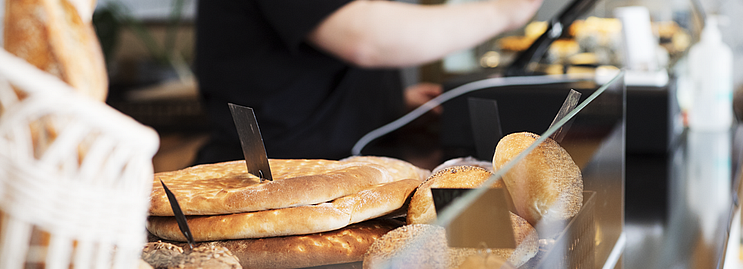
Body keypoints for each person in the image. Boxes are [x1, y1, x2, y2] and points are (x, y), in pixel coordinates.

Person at [194, 0, 543, 165]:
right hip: (275, 182)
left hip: (337, 166)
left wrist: (390, 101)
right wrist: (502, 10)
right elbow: (364, 38)